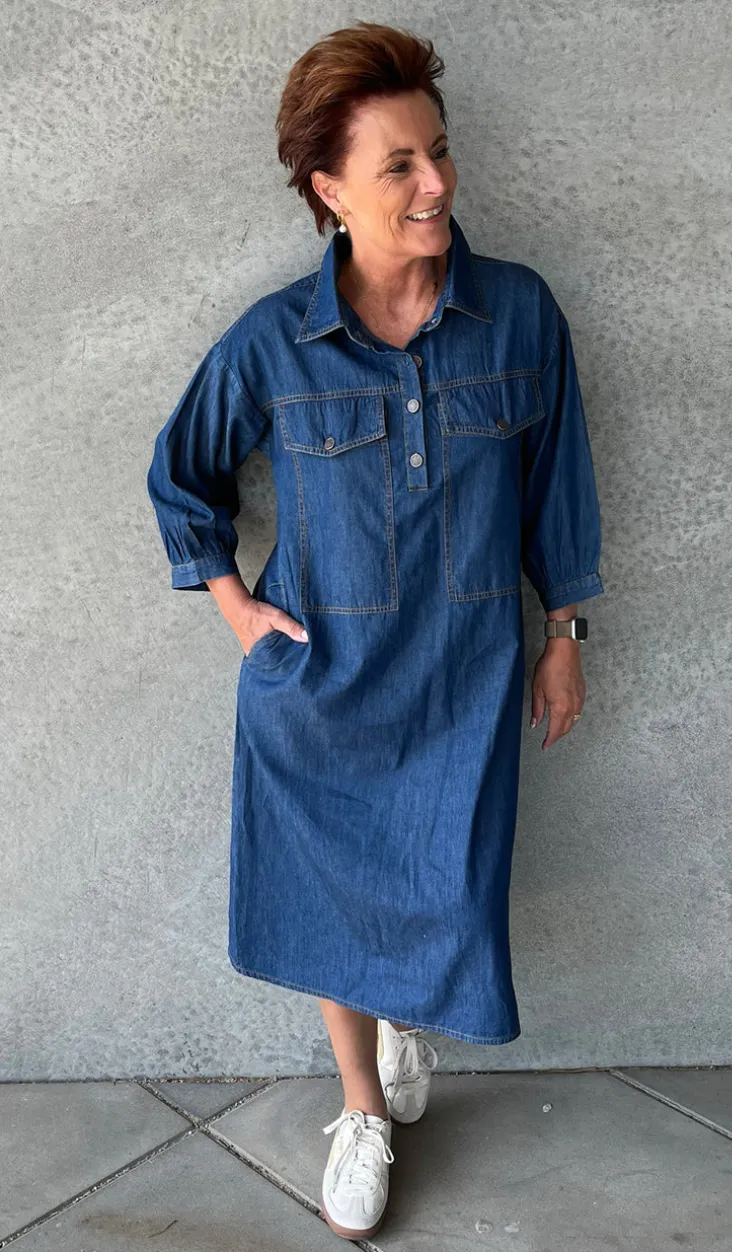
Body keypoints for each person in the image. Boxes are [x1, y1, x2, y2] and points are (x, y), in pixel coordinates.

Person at [146, 19, 605, 1241]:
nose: (435, 181)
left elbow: (556, 483)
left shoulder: (518, 315)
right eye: (398, 163)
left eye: (436, 151)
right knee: (326, 895)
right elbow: (181, 476)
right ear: (329, 190)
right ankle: (360, 1108)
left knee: (446, 880)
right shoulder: (273, 342)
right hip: (322, 684)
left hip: (465, 678)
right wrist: (238, 611)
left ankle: (403, 1016)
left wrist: (563, 631)